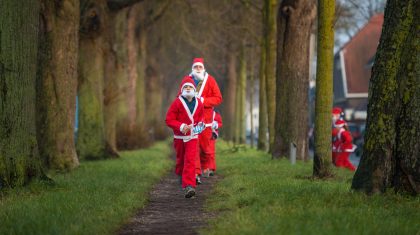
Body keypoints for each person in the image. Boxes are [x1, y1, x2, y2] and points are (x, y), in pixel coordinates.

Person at [181, 58, 223, 180]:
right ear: (192, 68)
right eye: (196, 67)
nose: (198, 69)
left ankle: (204, 166)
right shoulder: (187, 81)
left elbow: (218, 98)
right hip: (192, 121)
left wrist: (204, 101)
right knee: (194, 147)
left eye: (200, 67)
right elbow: (180, 96)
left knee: (205, 149)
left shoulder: (210, 80)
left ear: (203, 68)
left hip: (207, 122)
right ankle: (196, 173)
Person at [165, 78, 205, 198]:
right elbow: (169, 120)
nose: (188, 89)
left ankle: (189, 186)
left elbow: (201, 119)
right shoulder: (177, 103)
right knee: (181, 161)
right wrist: (181, 126)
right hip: (179, 137)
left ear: (194, 89)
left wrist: (199, 127)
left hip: (193, 137)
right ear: (182, 90)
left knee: (190, 160)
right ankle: (181, 174)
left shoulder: (199, 103)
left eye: (190, 87)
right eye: (185, 87)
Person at [207, 110, 223, 176]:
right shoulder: (200, 111)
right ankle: (202, 168)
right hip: (202, 134)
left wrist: (216, 125)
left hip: (211, 136)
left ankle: (211, 168)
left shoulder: (216, 114)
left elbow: (220, 123)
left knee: (211, 152)